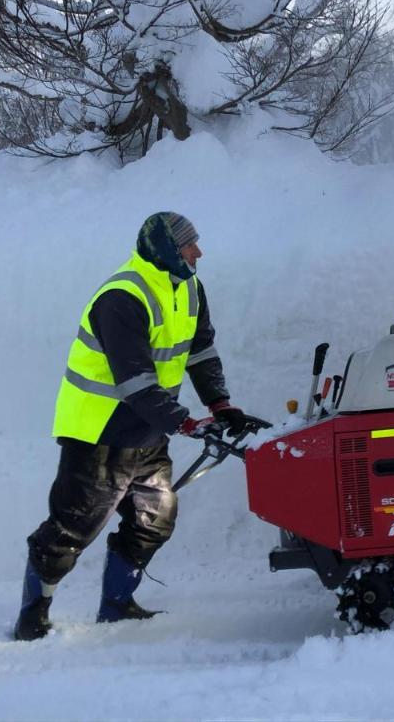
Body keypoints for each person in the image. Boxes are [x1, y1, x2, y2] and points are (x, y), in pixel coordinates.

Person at [14, 212, 254, 641]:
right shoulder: (123, 296)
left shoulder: (190, 288)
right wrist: (185, 422)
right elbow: (136, 380)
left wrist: (220, 404)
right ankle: (34, 611)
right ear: (164, 249)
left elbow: (200, 351)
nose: (198, 252)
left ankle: (117, 606)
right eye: (188, 245)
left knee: (154, 518)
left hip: (148, 430)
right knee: (73, 527)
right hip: (99, 432)